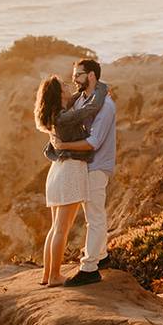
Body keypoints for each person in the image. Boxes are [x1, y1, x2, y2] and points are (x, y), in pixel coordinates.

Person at [35, 75, 108, 286]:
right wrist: (101, 89)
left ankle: (47, 276)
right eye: (64, 86)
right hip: (70, 172)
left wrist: (85, 88)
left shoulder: (54, 115)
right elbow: (89, 110)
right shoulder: (64, 117)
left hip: (57, 171)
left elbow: (77, 99)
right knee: (61, 229)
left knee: (55, 228)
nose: (69, 87)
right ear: (58, 95)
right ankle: (56, 277)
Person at [51, 58, 116, 287]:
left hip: (97, 165)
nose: (74, 79)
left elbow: (94, 142)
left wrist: (63, 147)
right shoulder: (81, 101)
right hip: (85, 166)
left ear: (90, 76)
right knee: (94, 215)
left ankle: (89, 268)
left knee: (94, 217)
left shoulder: (106, 106)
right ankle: (102, 256)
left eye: (78, 75)